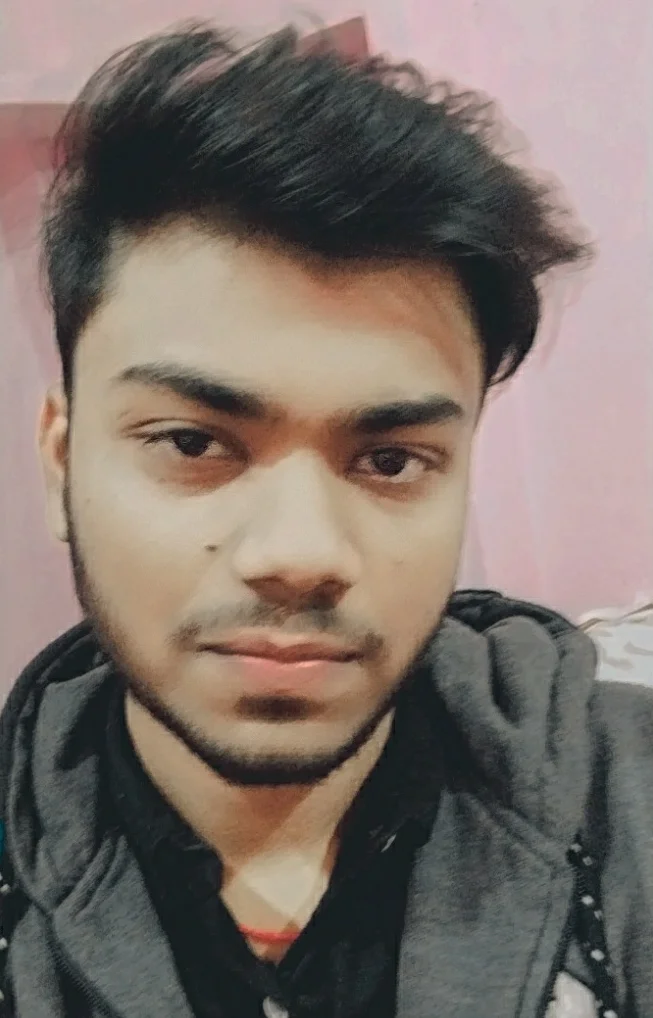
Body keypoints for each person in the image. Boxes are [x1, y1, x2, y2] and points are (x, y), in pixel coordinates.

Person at [0, 20, 650, 1018]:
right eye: (193, 442)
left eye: (388, 460)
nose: (299, 553)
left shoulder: (626, 794)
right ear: (61, 461)